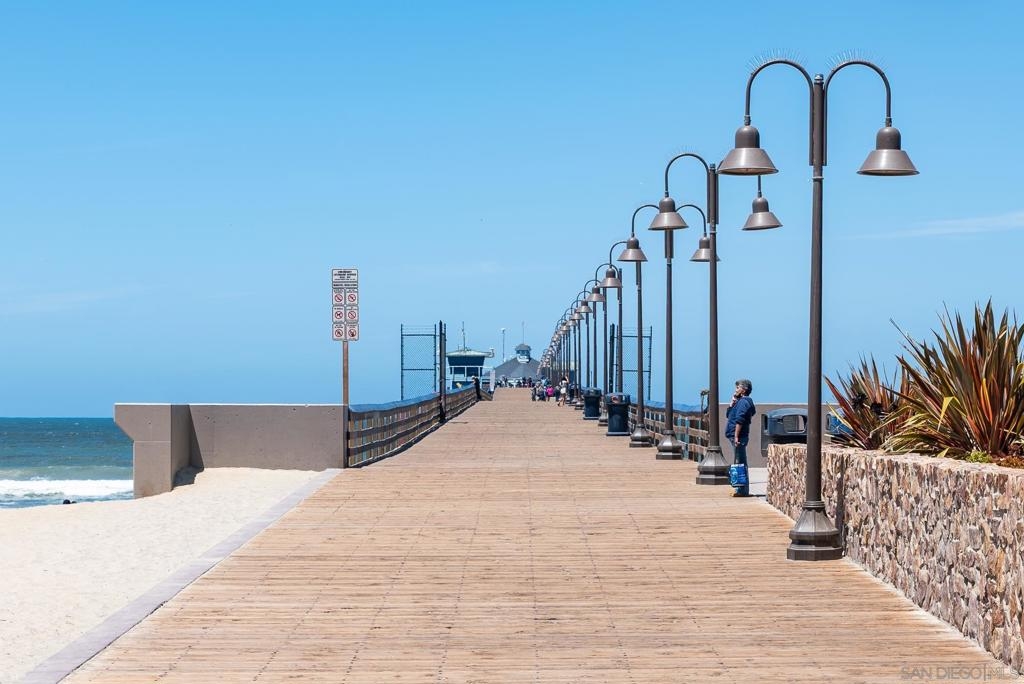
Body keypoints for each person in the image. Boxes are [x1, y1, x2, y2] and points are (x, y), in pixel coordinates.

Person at [725, 378, 756, 497]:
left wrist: (736, 436)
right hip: (736, 436)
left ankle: (742, 490)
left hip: (739, 437)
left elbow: (740, 420)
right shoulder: (740, 401)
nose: (735, 390)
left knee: (740, 462)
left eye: (738, 388)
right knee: (739, 462)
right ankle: (740, 489)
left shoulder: (744, 402)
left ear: (744, 389)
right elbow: (728, 415)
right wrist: (732, 401)